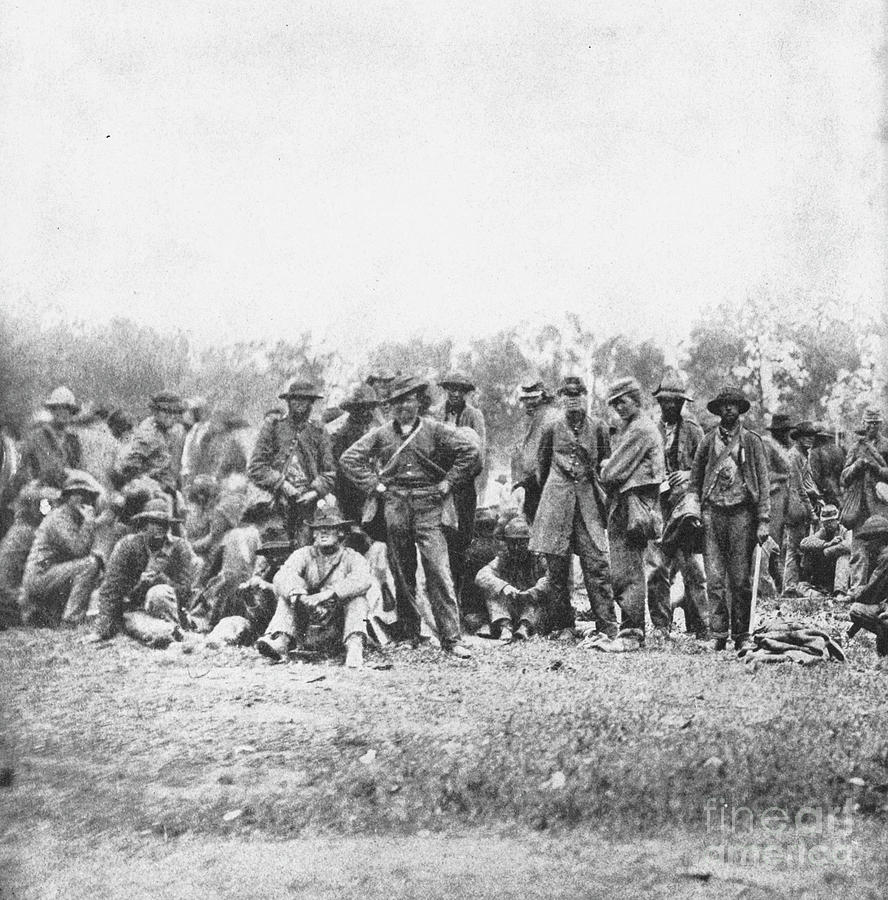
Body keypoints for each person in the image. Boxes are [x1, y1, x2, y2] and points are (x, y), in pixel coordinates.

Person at [339, 375, 480, 658]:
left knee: (438, 569)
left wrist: (449, 482)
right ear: (390, 406)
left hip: (429, 505)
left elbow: (471, 452)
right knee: (402, 571)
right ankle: (410, 632)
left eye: (409, 399)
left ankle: (451, 638)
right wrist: (375, 485)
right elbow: (349, 459)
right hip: (395, 505)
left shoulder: (435, 429)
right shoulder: (381, 434)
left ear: (419, 401)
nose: (404, 406)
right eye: (397, 401)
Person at [529, 375, 616, 640]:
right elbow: (541, 469)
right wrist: (555, 491)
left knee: (596, 564)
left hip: (587, 505)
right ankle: (564, 625)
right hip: (556, 503)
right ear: (561, 399)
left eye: (578, 395)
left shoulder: (599, 428)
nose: (573, 400)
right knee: (556, 568)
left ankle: (607, 626)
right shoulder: (551, 429)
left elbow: (605, 464)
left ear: (586, 398)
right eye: (568, 395)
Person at [688, 387, 770, 651]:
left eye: (733, 405)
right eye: (724, 405)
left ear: (739, 409)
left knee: (740, 579)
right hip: (713, 515)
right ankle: (718, 634)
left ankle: (742, 635)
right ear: (718, 410)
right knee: (714, 578)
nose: (728, 409)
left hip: (742, 515)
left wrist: (764, 519)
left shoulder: (752, 441)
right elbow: (694, 481)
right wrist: (694, 511)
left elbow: (764, 483)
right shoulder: (707, 441)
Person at [598, 378, 666, 651]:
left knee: (628, 570)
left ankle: (632, 631)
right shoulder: (633, 427)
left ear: (636, 400)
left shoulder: (639, 429)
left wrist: (606, 466)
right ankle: (631, 628)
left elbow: (610, 473)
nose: (618, 408)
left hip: (632, 504)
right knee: (626, 568)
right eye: (614, 404)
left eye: (623, 401)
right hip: (630, 503)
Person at [255, 508, 372, 668]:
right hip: (308, 622)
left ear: (340, 533)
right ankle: (281, 640)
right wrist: (300, 596)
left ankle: (354, 646)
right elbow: (283, 575)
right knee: (287, 596)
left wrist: (330, 594)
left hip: (337, 624)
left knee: (358, 600)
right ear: (314, 534)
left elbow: (363, 579)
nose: (323, 532)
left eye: (329, 528)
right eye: (318, 529)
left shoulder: (351, 557)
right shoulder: (303, 554)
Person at [644, 375, 709, 639]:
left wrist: (688, 473)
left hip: (686, 507)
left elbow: (708, 467)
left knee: (692, 566)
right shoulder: (650, 431)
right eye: (665, 402)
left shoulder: (694, 431)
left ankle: (702, 624)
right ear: (659, 402)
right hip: (658, 507)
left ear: (682, 403)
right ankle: (661, 625)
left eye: (676, 402)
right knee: (657, 567)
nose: (670, 407)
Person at [92, 496, 196, 648]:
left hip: (169, 609)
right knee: (155, 632)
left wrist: (162, 580)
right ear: (144, 525)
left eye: (164, 523)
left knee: (159, 593)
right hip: (135, 610)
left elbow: (185, 590)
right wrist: (101, 629)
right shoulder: (127, 546)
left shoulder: (179, 547)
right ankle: (174, 635)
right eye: (154, 522)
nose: (160, 527)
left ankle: (177, 632)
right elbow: (110, 589)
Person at [247, 379, 336, 545]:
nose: (300, 403)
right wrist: (283, 485)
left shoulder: (318, 431)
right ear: (288, 401)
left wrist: (315, 492)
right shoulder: (273, 427)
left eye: (306, 399)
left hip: (310, 503)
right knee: (275, 552)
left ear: (312, 403)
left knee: (313, 548)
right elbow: (256, 467)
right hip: (276, 502)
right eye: (296, 399)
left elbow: (329, 472)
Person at [20, 470, 104, 626]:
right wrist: (89, 522)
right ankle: (71, 620)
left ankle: (58, 615)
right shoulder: (60, 517)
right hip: (41, 577)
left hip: (50, 577)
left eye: (88, 496)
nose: (85, 499)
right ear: (68, 497)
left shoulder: (73, 519)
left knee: (94, 562)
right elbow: (78, 550)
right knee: (90, 564)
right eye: (78, 494)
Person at [431, 373, 487, 597]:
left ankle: (462, 596)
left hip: (463, 486)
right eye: (451, 389)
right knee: (439, 536)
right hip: (438, 484)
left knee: (463, 540)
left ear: (465, 393)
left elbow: (479, 455)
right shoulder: (436, 413)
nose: (455, 393)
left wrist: (460, 477)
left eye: (460, 390)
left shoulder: (474, 416)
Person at [475, 514, 550, 642]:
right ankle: (505, 627)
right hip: (511, 605)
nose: (516, 548)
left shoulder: (538, 558)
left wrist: (534, 591)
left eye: (521, 543)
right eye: (512, 543)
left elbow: (551, 578)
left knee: (540, 601)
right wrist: (505, 587)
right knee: (493, 593)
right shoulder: (503, 558)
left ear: (528, 542)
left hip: (531, 605)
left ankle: (524, 628)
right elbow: (482, 576)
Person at [840, 409, 888, 593]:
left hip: (881, 504)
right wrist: (856, 466)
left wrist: (876, 468)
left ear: (881, 424)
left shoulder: (886, 446)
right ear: (863, 423)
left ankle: (880, 591)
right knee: (858, 547)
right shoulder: (856, 447)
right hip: (860, 504)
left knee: (883, 546)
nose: (871, 426)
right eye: (868, 422)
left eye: (875, 423)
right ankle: (857, 589)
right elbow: (844, 478)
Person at [0, 483, 60, 627]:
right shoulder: (28, 533)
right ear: (33, 508)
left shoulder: (19, 530)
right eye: (46, 505)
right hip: (14, 598)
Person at [113, 391, 186, 496]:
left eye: (175, 412)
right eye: (166, 411)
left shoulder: (173, 430)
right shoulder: (148, 433)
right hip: (148, 492)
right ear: (155, 411)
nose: (172, 416)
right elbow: (126, 467)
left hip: (166, 488)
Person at [329, 385, 381, 526]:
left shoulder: (375, 428)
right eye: (359, 408)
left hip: (374, 487)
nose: (365, 412)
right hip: (351, 491)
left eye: (368, 407)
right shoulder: (342, 434)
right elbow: (341, 467)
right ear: (352, 410)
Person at [782, 421, 821, 595]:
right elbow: (798, 487)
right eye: (806, 436)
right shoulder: (794, 456)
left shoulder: (805, 455)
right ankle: (790, 587)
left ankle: (796, 585)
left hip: (804, 504)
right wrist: (811, 512)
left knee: (801, 547)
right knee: (795, 547)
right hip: (796, 506)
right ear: (798, 438)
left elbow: (808, 482)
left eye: (812, 436)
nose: (810, 440)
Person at [510, 381, 557, 523]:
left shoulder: (552, 418)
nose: (529, 403)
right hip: (528, 484)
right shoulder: (527, 421)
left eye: (534, 398)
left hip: (547, 484)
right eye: (526, 399)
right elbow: (518, 455)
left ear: (543, 397)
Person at [18, 386, 83, 489]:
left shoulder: (73, 440)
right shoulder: (37, 437)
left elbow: (77, 469)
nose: (64, 413)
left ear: (72, 413)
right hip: (42, 492)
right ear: (52, 410)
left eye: (68, 409)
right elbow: (22, 468)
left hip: (67, 492)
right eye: (59, 408)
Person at [761, 412, 793, 591]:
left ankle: (783, 582)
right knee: (773, 539)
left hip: (787, 496)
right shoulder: (768, 445)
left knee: (785, 540)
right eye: (783, 431)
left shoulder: (785, 448)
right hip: (774, 495)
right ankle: (773, 582)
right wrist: (785, 476)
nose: (786, 434)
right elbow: (765, 473)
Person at [798, 504, 851, 596]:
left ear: (837, 520)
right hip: (826, 573)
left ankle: (840, 592)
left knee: (843, 558)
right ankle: (820, 593)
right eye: (825, 522)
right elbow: (804, 543)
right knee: (800, 586)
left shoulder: (845, 530)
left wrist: (828, 551)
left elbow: (848, 545)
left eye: (831, 521)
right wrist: (826, 544)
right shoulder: (823, 532)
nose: (828, 525)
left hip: (843, 576)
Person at [809, 423, 845, 507]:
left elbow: (815, 477)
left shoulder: (815, 453)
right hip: (839, 490)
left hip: (825, 492)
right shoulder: (837, 450)